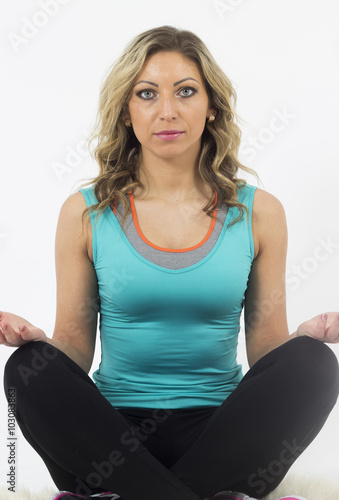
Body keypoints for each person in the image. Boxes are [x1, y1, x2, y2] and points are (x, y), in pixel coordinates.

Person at [1, 25, 339, 500]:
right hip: (108, 437)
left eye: (185, 91)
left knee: (315, 364)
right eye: (146, 94)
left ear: (211, 105)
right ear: (126, 111)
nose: (167, 111)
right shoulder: (85, 212)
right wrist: (38, 346)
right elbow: (74, 346)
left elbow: (266, 349)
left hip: (223, 437)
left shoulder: (260, 213)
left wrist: (302, 344)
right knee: (26, 368)